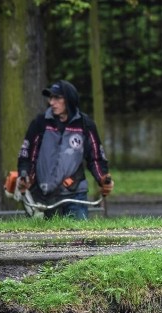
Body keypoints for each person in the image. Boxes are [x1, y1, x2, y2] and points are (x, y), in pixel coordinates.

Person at [16, 80, 113, 219]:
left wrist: (103, 178)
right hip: (43, 195)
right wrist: (25, 176)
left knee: (78, 239)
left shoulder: (85, 125)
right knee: (47, 240)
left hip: (75, 194)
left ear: (69, 100)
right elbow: (27, 156)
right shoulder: (40, 123)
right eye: (50, 98)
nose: (51, 102)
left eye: (57, 98)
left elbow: (96, 158)